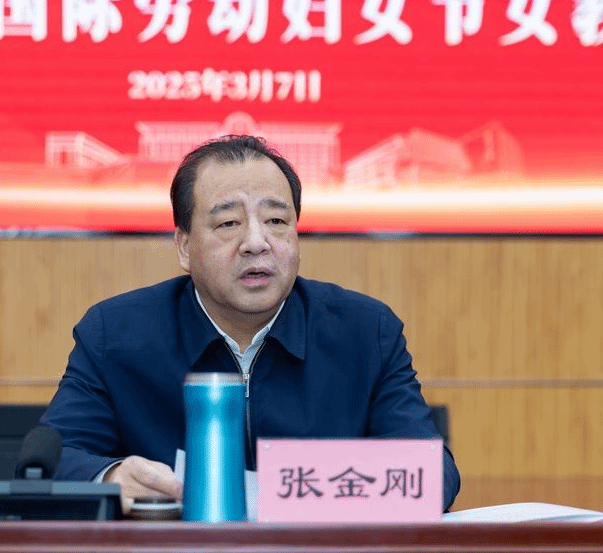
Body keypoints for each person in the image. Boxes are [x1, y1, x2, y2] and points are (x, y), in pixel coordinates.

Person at [40, 135, 460, 513]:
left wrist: (316, 486)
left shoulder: (367, 332)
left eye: (277, 221)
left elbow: (433, 474)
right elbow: (51, 461)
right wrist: (111, 477)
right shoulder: (114, 334)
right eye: (228, 223)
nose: (257, 243)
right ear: (184, 246)